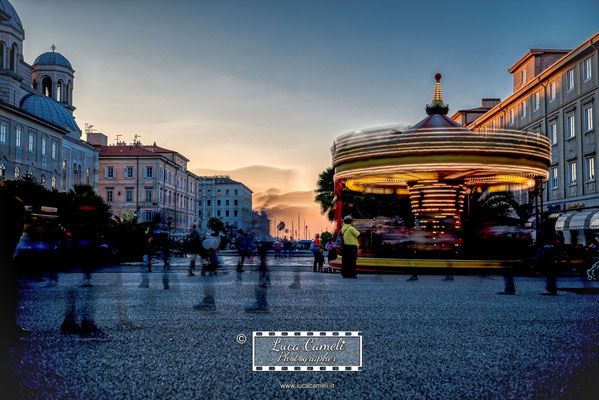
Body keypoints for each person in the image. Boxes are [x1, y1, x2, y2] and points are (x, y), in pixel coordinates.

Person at [0, 182, 29, 343]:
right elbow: (18, 228)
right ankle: (8, 328)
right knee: (9, 291)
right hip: (7, 249)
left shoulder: (15, 203)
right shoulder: (16, 203)